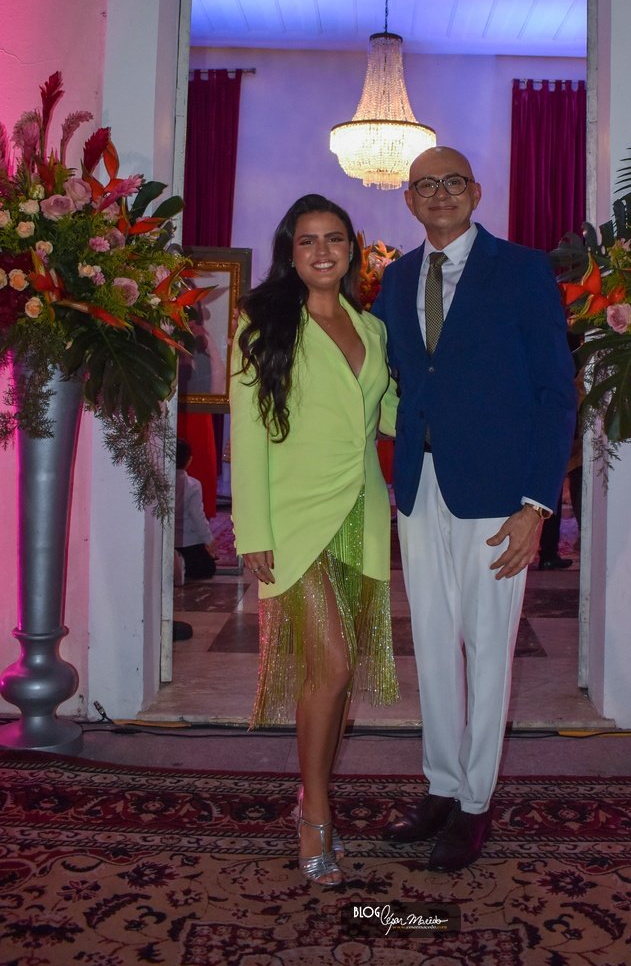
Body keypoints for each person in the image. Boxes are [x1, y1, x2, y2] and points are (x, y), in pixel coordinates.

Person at [372, 145, 576, 871]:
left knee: (488, 647)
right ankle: (440, 784)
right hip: (418, 486)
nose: (439, 194)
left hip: (498, 495)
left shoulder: (522, 270)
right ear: (408, 199)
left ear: (476, 191)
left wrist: (536, 504)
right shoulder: (396, 279)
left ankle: (475, 801)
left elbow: (556, 393)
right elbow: (392, 377)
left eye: (452, 181)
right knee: (432, 644)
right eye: (424, 185)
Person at [229, 194, 398, 888]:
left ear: (352, 250)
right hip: (294, 518)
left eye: (334, 239)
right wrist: (252, 529)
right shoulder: (262, 323)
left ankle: (311, 791)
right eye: (308, 240)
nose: (322, 251)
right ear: (290, 252)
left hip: (362, 512)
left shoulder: (372, 328)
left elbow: (387, 414)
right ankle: (316, 814)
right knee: (330, 662)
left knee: (337, 672)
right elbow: (247, 431)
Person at [174, 438, 218, 581]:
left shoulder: (161, 484)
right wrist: (209, 540)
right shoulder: (193, 485)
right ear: (189, 460)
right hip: (189, 543)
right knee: (207, 568)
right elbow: (197, 516)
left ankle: (176, 565)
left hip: (168, 543)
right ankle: (182, 566)